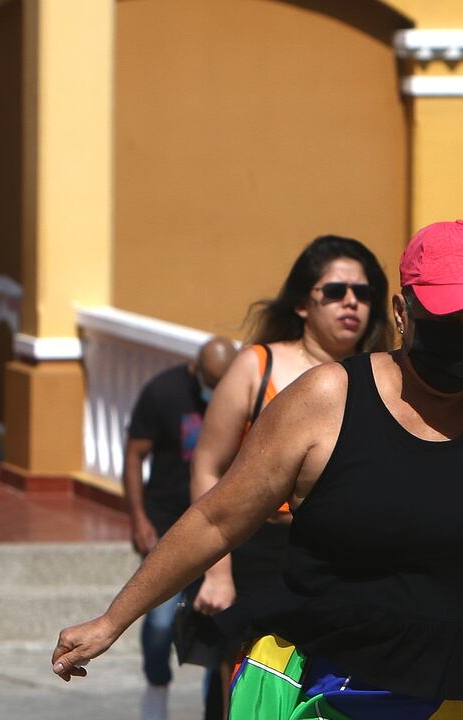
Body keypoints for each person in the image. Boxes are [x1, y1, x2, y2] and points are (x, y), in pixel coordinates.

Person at [52, 220, 463, 719]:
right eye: (449, 320)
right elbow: (218, 517)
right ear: (403, 313)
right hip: (331, 697)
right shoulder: (325, 400)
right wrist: (113, 620)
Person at [188, 234, 392, 712]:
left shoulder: (383, 373)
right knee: (248, 691)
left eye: (363, 294)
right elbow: (207, 466)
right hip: (259, 553)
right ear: (303, 303)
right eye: (335, 291)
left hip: (348, 562)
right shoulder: (257, 366)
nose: (351, 303)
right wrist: (217, 572)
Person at [124, 336, 236, 720]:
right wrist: (138, 518)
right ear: (196, 369)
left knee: (216, 627)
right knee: (157, 622)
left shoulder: (239, 396)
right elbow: (134, 454)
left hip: (219, 531)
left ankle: (211, 708)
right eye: (212, 382)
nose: (217, 391)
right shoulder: (163, 391)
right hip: (166, 527)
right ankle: (157, 683)